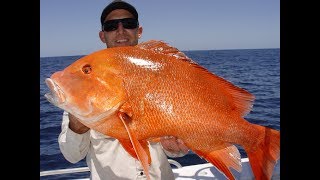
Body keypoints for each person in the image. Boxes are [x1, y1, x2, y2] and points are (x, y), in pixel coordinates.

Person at [58, 1, 189, 179]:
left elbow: (176, 145)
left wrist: (176, 150)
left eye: (128, 24)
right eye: (111, 26)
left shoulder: (163, 72)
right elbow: (72, 156)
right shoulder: (87, 84)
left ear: (139, 31)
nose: (120, 31)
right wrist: (77, 125)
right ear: (102, 35)